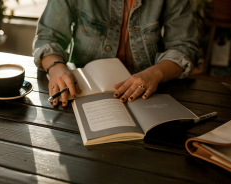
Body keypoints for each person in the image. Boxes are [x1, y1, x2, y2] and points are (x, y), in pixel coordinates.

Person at [32, 0, 199, 107]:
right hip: (83, 92)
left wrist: (154, 74)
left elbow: (184, 47)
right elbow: (48, 36)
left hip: (147, 94)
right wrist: (56, 67)